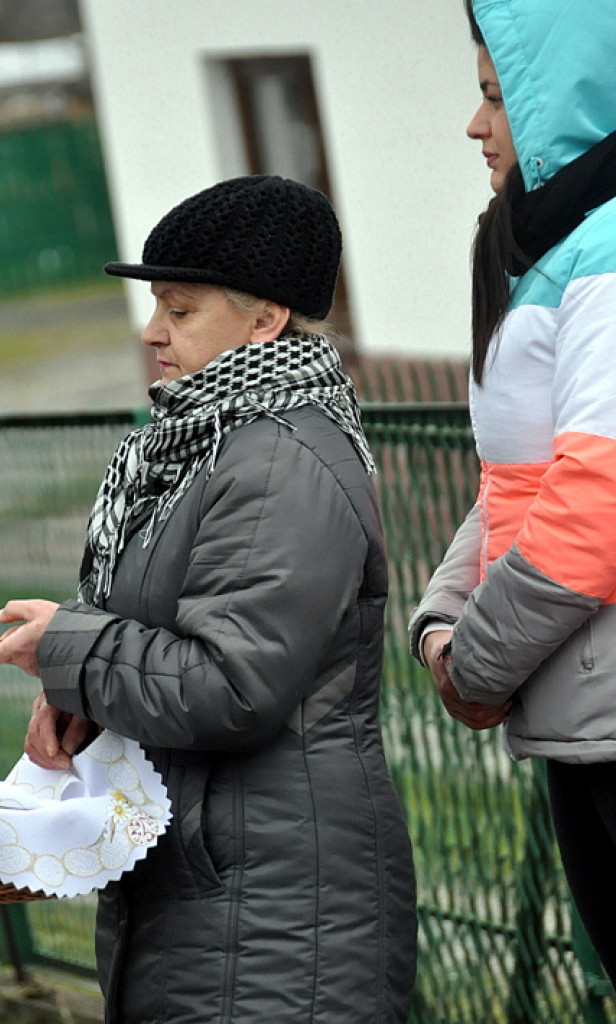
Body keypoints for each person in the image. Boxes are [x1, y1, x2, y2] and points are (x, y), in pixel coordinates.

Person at [0, 174, 417, 1023]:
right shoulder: (212, 444)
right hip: (217, 882)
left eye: (180, 311)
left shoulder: (277, 461)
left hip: (277, 910)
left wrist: (69, 648)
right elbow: (179, 636)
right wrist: (86, 700)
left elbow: (231, 684)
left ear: (266, 319)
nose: (152, 333)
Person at [409, 0, 616, 986]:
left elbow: (597, 507)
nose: (474, 125)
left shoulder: (609, 258)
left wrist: (473, 663)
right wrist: (442, 616)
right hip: (587, 719)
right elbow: (519, 481)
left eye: (496, 98)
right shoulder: (553, 249)